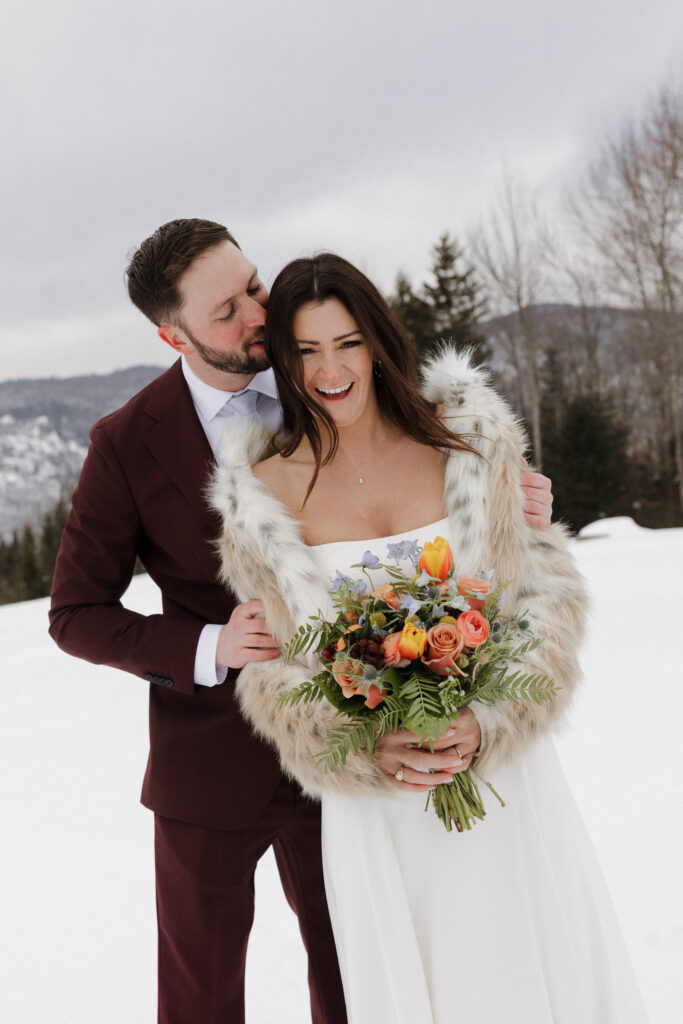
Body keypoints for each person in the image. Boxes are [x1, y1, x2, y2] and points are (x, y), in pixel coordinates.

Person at [49, 220, 554, 1024]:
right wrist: (209, 646)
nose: (258, 314)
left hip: (360, 750)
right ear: (170, 334)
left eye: (253, 285)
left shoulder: (324, 377)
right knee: (200, 994)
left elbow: (426, 480)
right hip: (210, 767)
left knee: (360, 975)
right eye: (227, 311)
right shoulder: (124, 443)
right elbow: (75, 614)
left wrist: (505, 499)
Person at [210, 252, 649, 1023]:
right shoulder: (264, 494)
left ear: (377, 341)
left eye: (345, 342)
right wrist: (354, 745)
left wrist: (488, 720)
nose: (328, 369)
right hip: (380, 806)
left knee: (525, 971)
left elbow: (544, 605)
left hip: (500, 778)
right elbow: (275, 668)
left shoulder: (466, 449)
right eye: (305, 350)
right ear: (282, 359)